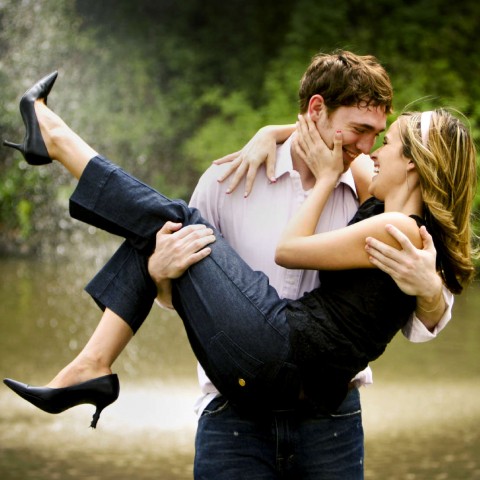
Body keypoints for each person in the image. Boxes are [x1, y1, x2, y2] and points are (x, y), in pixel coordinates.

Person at [2, 52, 469, 477]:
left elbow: (422, 311)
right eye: (362, 131)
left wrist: (428, 288)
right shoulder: (230, 181)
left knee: (176, 219)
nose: (370, 147)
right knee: (163, 232)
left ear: (410, 163)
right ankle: (92, 363)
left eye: (382, 137)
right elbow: (189, 299)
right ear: (316, 111)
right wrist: (159, 273)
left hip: (323, 411)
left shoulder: (377, 199)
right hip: (237, 412)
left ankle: (56, 139)